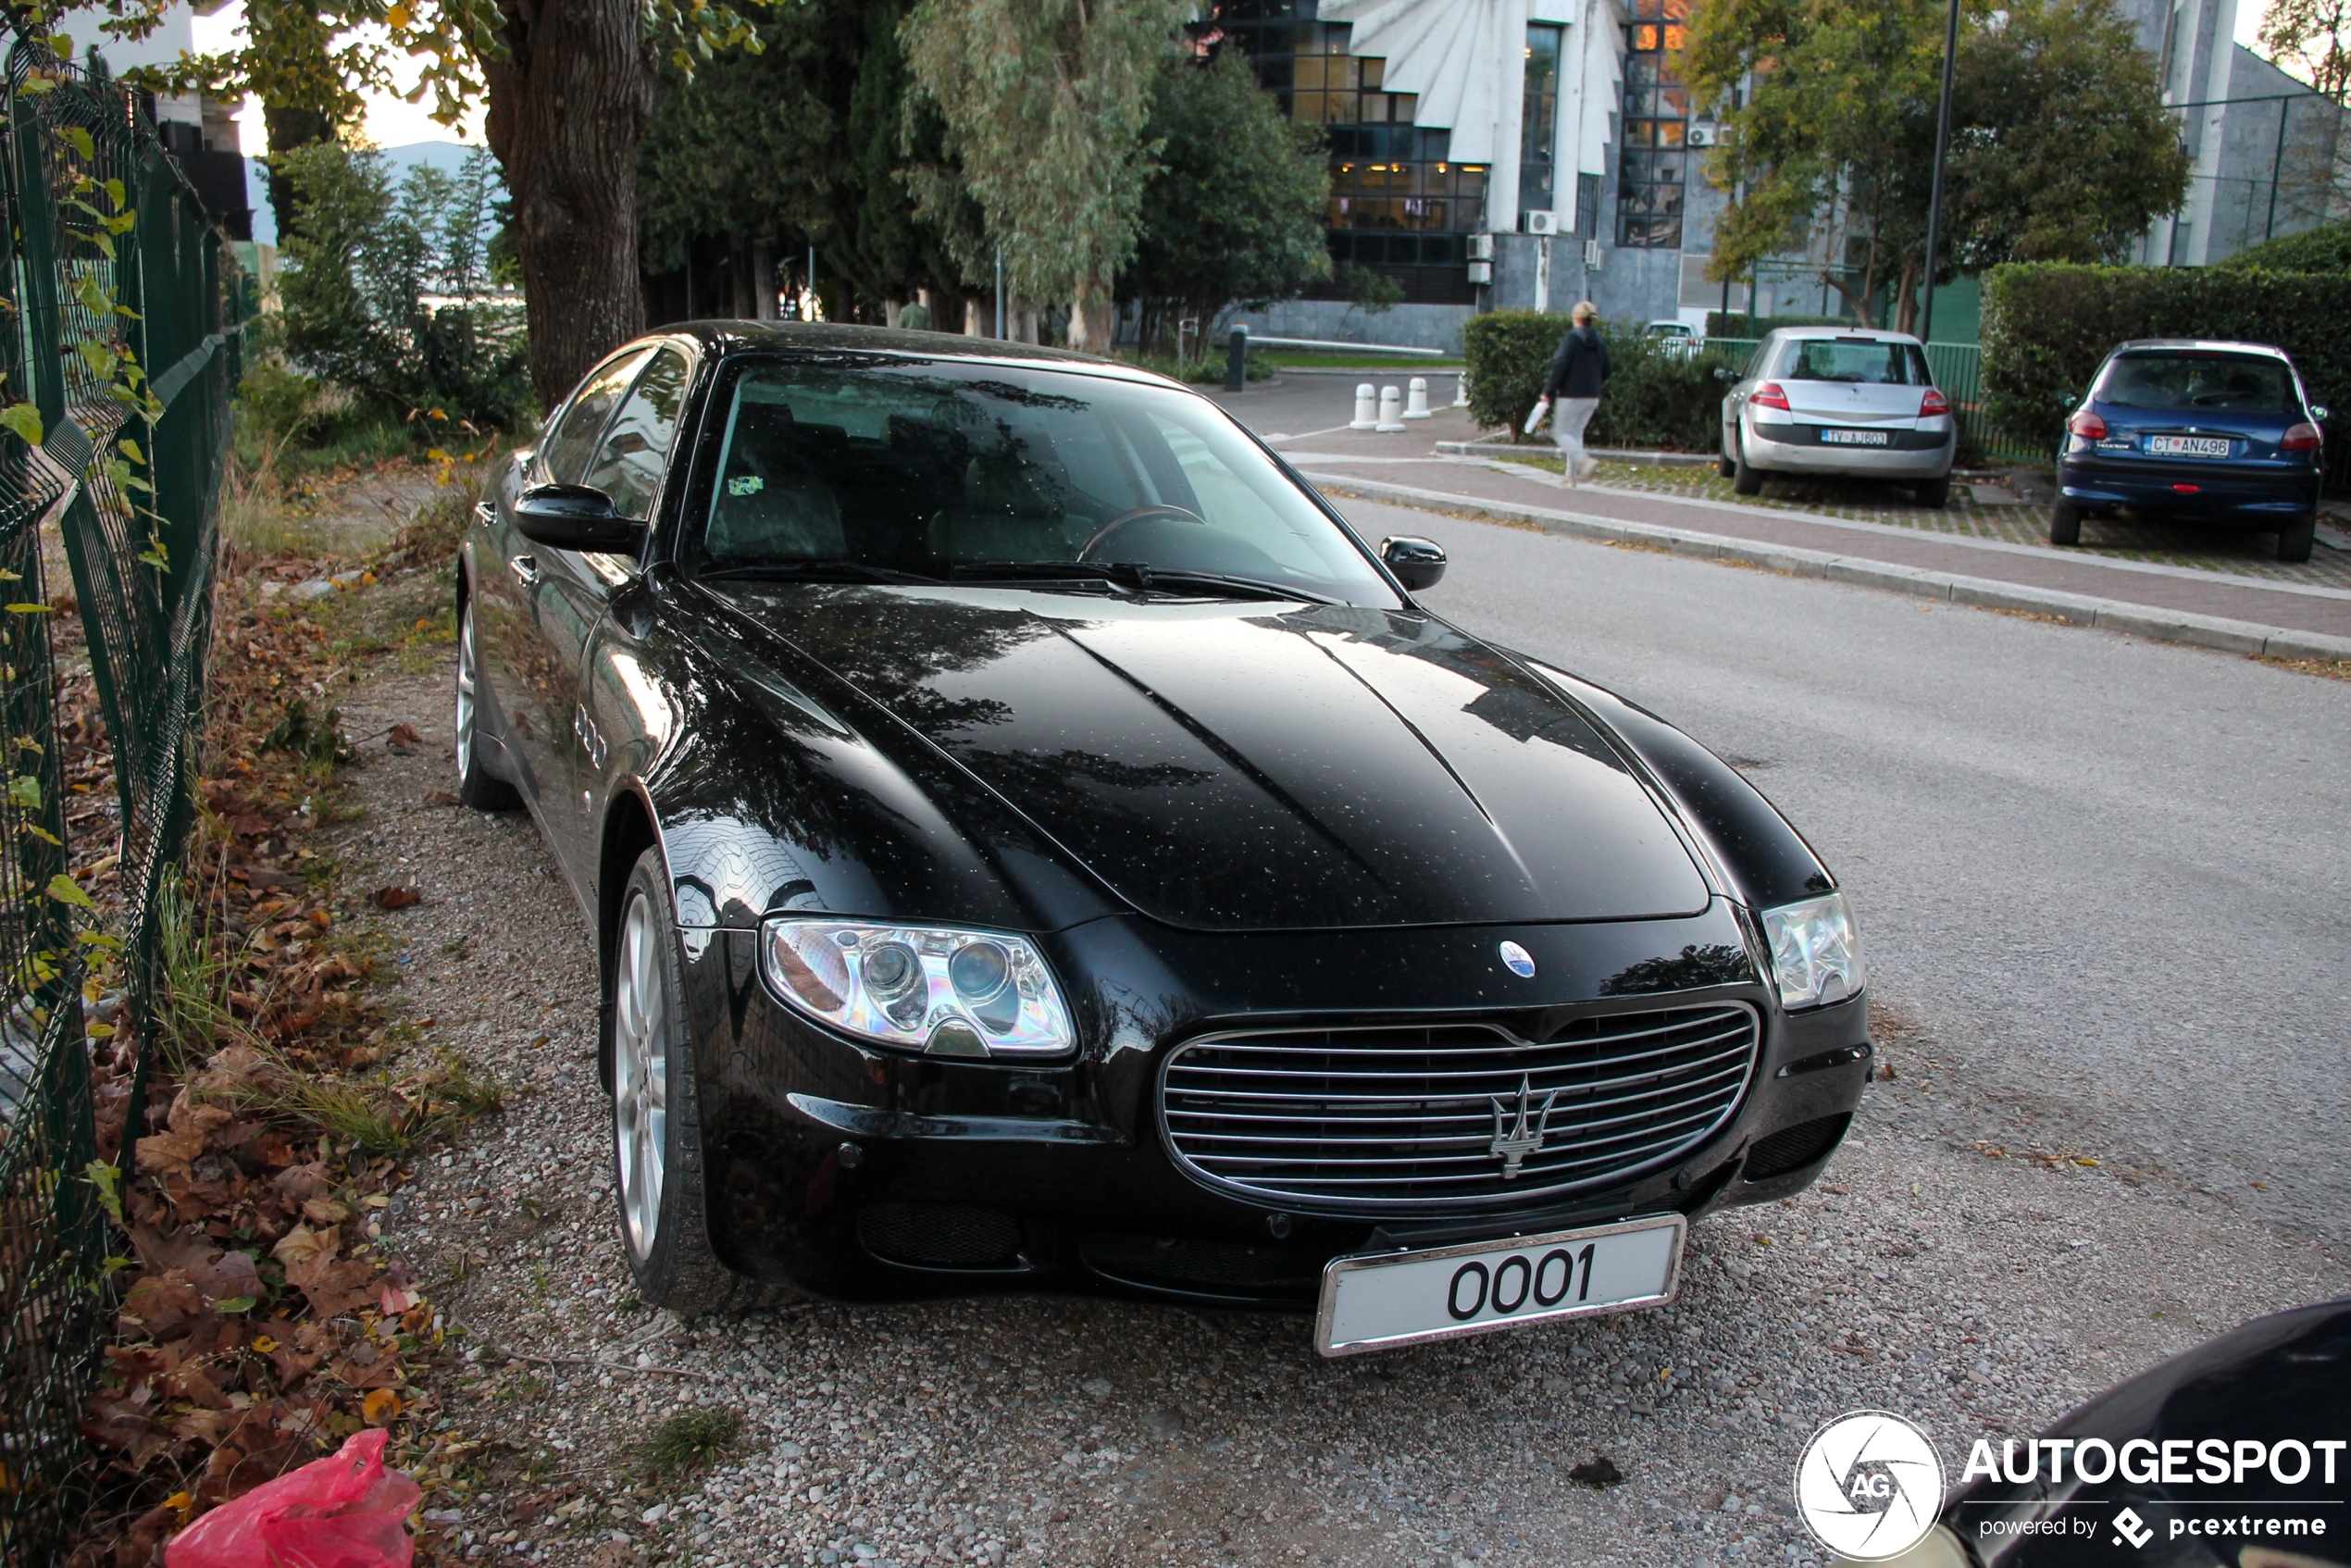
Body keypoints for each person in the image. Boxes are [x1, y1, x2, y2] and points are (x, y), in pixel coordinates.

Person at [1533, 302, 1611, 486]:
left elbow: (1560, 365)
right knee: (1575, 434)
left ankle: (1584, 461)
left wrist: (1548, 391)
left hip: (1571, 394)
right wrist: (1594, 384)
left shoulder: (1572, 339)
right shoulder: (1599, 340)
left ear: (1576, 318)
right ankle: (1571, 476)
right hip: (1592, 396)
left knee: (1560, 432)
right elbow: (1608, 368)